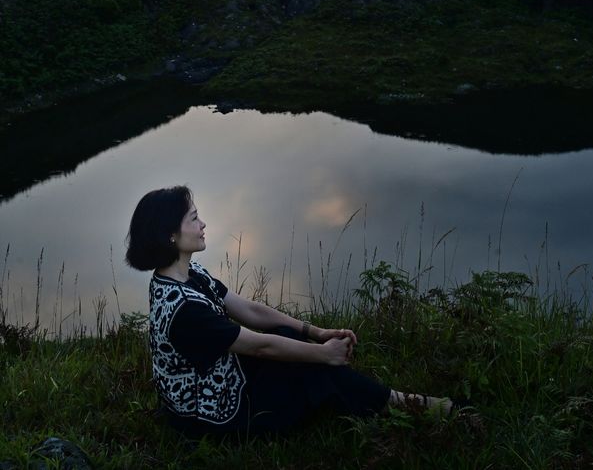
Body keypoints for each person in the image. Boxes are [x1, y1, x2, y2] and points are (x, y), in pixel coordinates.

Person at [126, 185, 456, 439]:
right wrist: (323, 354)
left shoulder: (185, 273)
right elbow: (259, 345)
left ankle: (386, 401)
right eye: (194, 218)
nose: (203, 224)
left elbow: (249, 310)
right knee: (306, 364)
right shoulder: (184, 308)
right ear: (171, 234)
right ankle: (409, 404)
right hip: (212, 414)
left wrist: (314, 333)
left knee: (293, 346)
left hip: (219, 382)